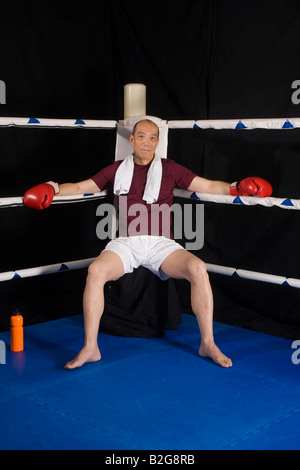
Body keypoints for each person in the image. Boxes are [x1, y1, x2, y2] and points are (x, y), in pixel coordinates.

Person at [24, 119, 273, 369]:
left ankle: (208, 343)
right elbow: (80, 186)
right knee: (96, 271)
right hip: (126, 242)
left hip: (161, 244)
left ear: (158, 142)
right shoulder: (116, 169)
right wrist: (52, 188)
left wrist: (236, 188)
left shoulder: (171, 168)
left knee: (198, 268)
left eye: (153, 137)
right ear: (131, 140)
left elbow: (208, 185)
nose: (147, 142)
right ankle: (90, 347)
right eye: (141, 136)